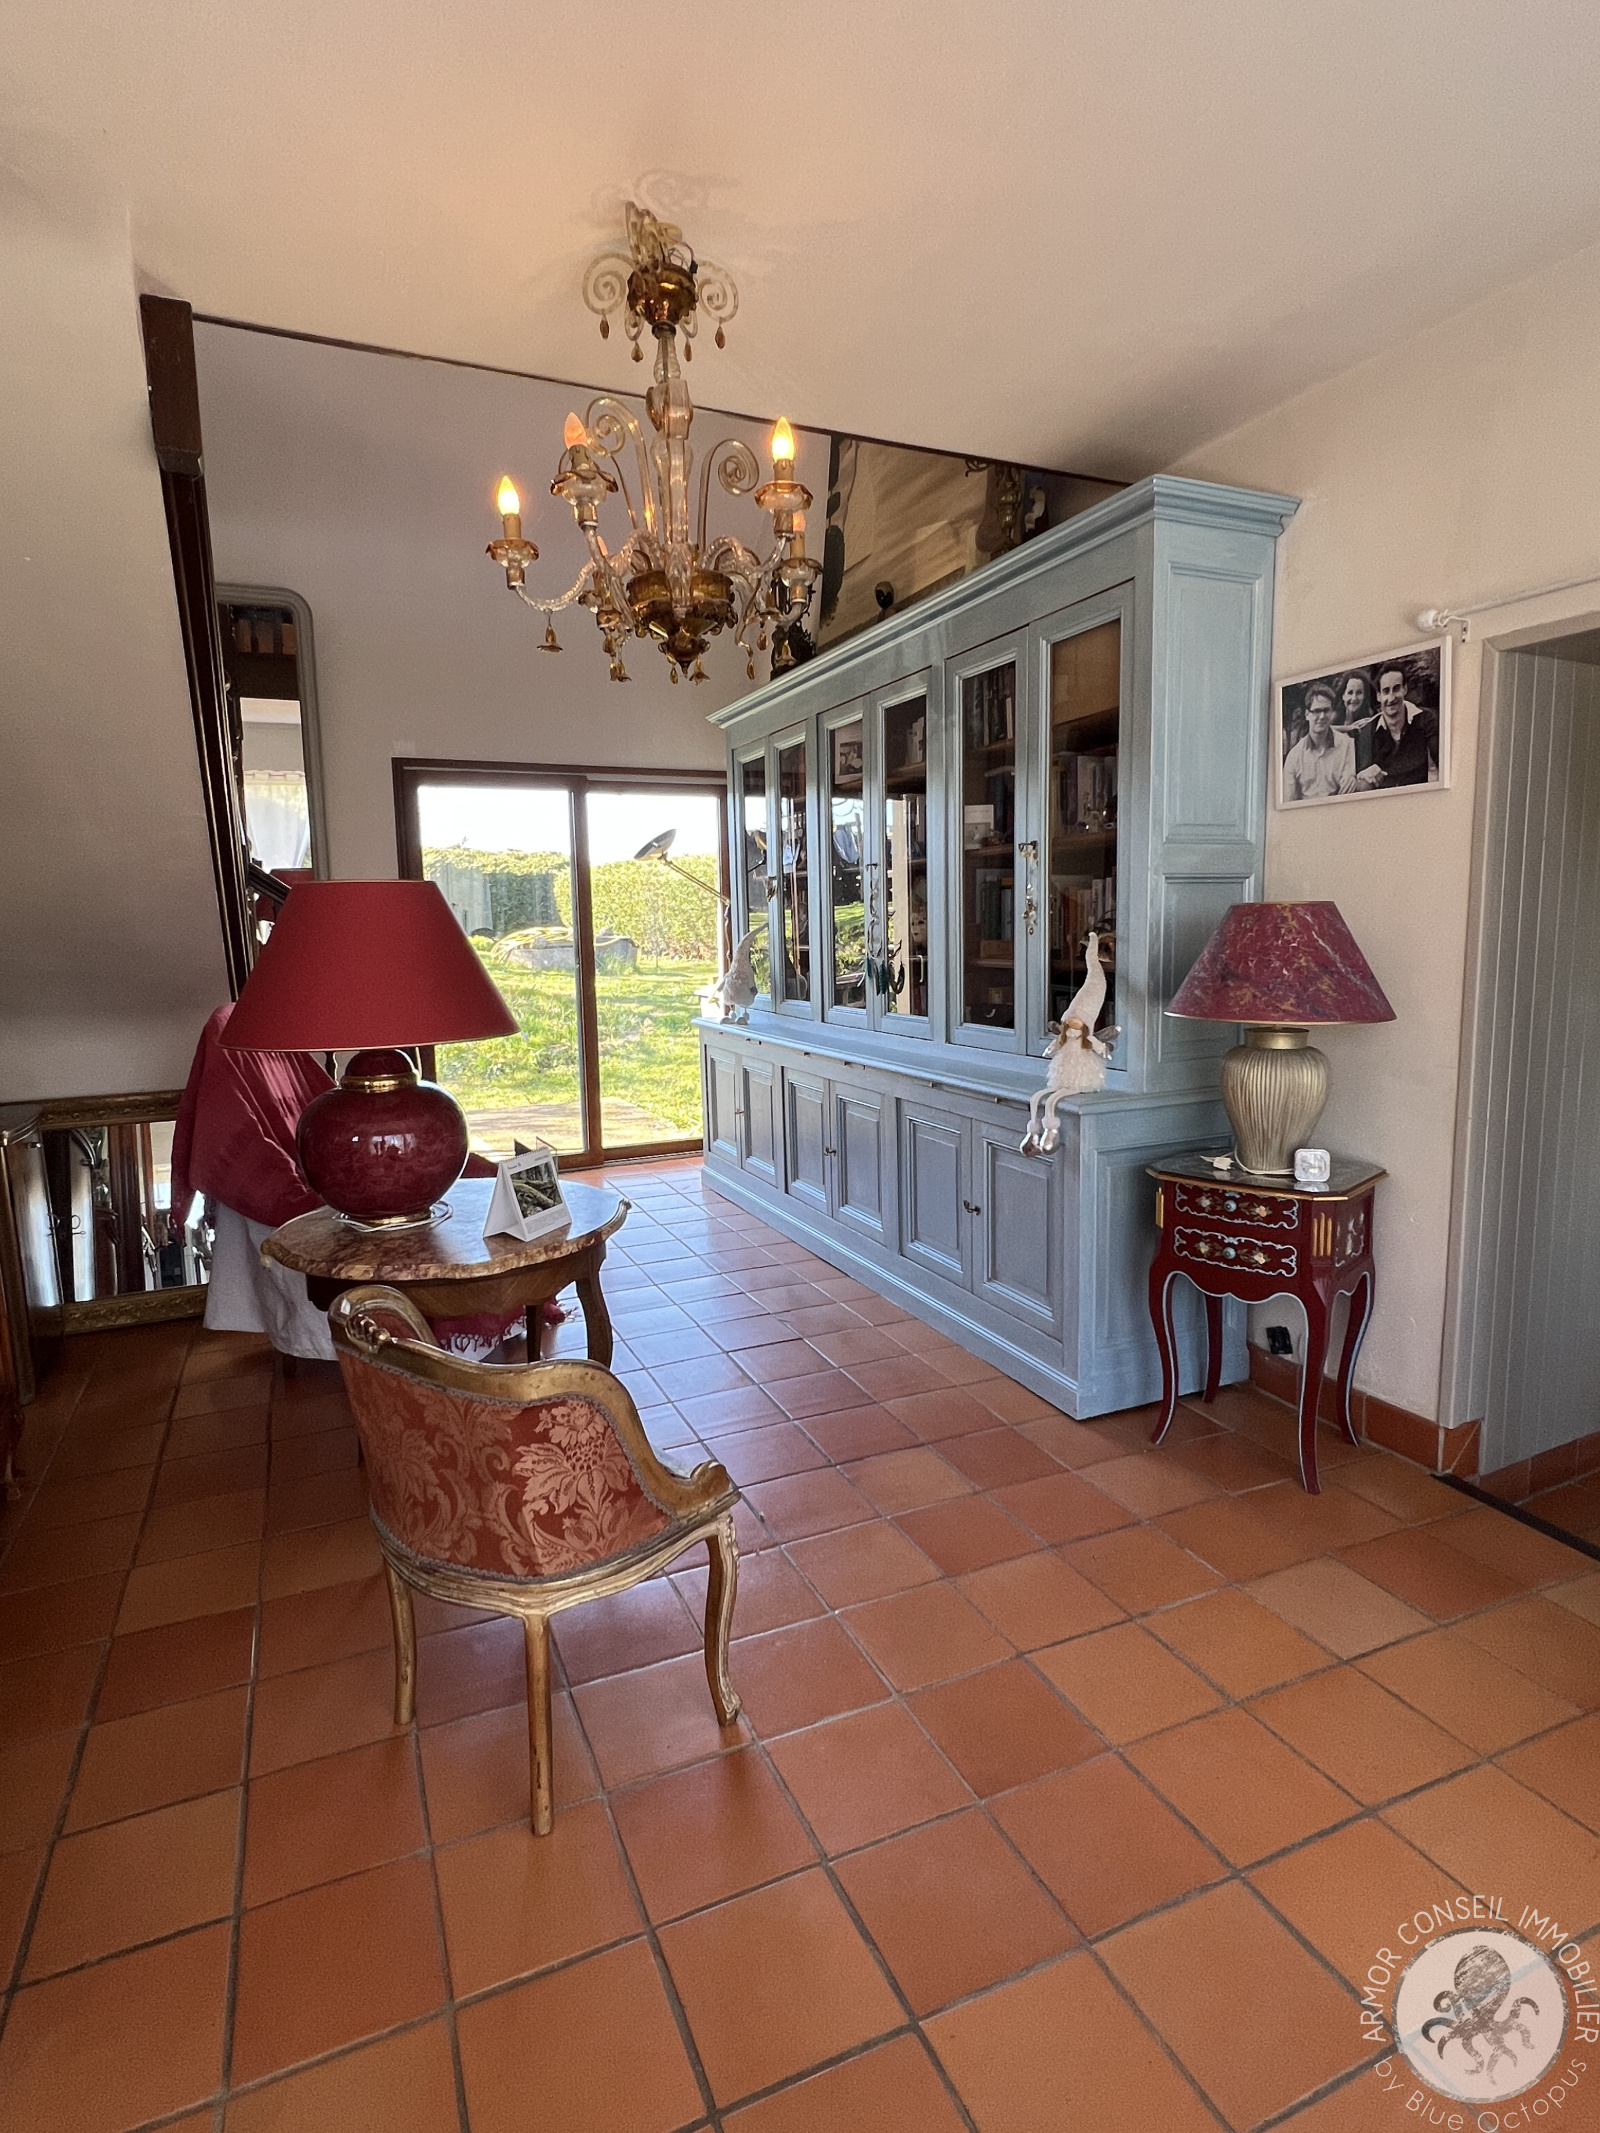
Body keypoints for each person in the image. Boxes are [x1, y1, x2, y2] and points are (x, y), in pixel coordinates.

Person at [1355, 664, 1438, 788]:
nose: (1391, 698)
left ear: (1405, 689)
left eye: (1396, 689)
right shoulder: (1368, 731)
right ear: (1379, 696)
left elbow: (1440, 760)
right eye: (1386, 691)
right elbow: (1361, 773)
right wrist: (1365, 773)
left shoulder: (1425, 719)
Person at [1282, 681, 1357, 800]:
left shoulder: (1346, 745)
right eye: (1317, 711)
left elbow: (1347, 785)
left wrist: (1353, 778)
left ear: (1331, 713)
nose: (1322, 716)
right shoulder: (1295, 756)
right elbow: (1288, 800)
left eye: (1326, 710)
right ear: (1307, 714)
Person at [1337, 669, 1378, 773]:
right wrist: (1348, 728)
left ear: (1364, 696)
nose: (1354, 698)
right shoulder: (1335, 720)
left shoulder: (1369, 722)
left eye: (1359, 693)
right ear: (1343, 695)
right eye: (1350, 692)